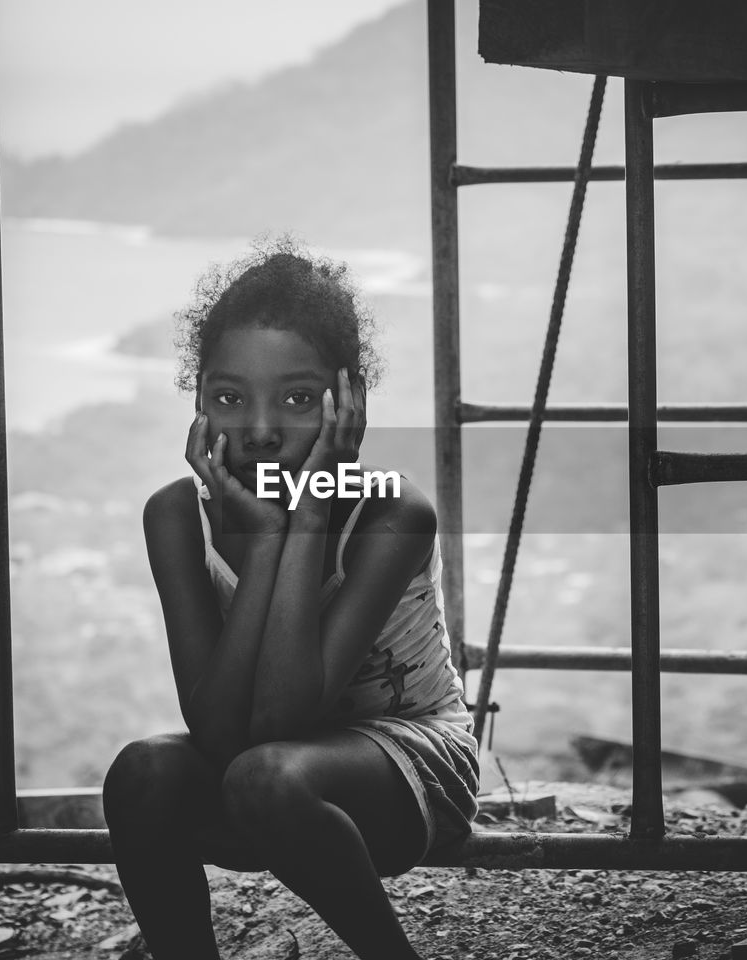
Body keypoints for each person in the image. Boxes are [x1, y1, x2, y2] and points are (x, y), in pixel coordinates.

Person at [102, 237, 480, 960]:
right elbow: (217, 731)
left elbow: (280, 719)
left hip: (408, 772)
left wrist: (306, 521)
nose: (263, 429)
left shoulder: (390, 513)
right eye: (229, 397)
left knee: (267, 775)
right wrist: (265, 541)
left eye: (300, 399)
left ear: (351, 403)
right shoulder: (177, 516)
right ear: (199, 402)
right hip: (262, 771)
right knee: (142, 772)